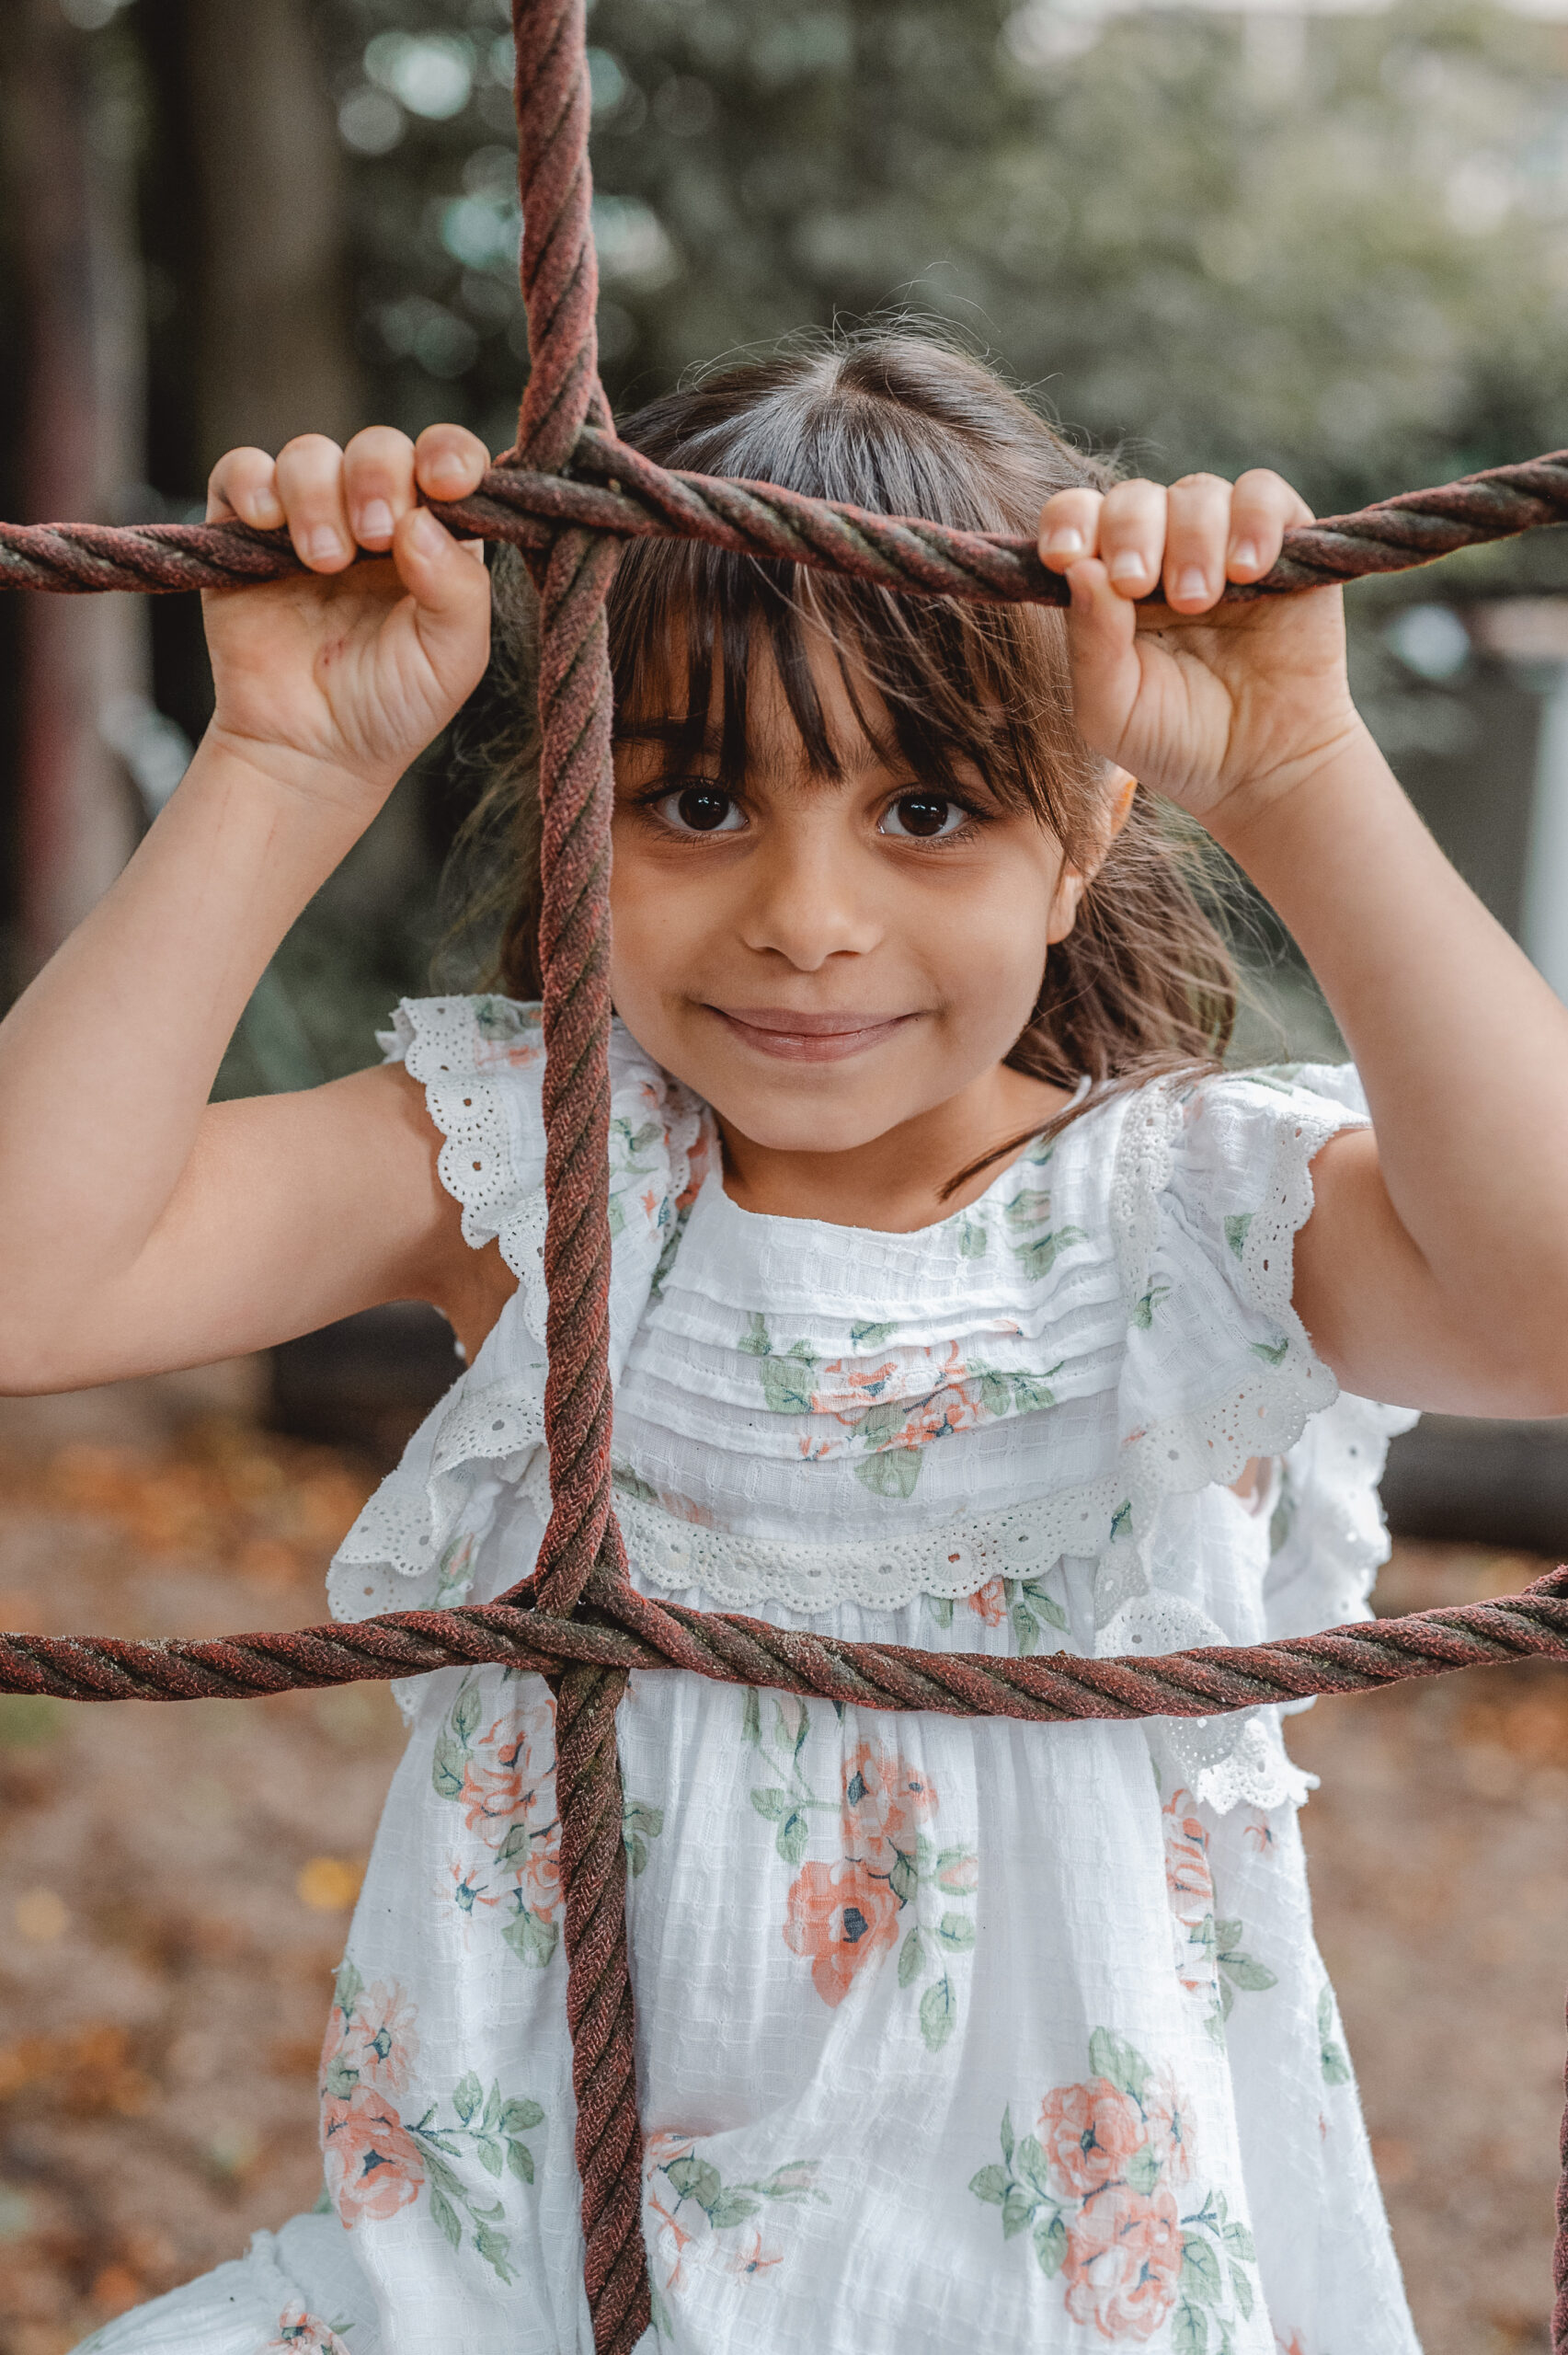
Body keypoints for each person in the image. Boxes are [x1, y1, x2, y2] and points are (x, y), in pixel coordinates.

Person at [8, 332, 1567, 2355]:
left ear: (1085, 830)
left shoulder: (1182, 1217)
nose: (805, 916)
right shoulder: (551, 1164)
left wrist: (1296, 776)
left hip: (1037, 2308)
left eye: (924, 806)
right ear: (578, 814)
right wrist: (281, 767)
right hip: (505, 2291)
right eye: (696, 798)